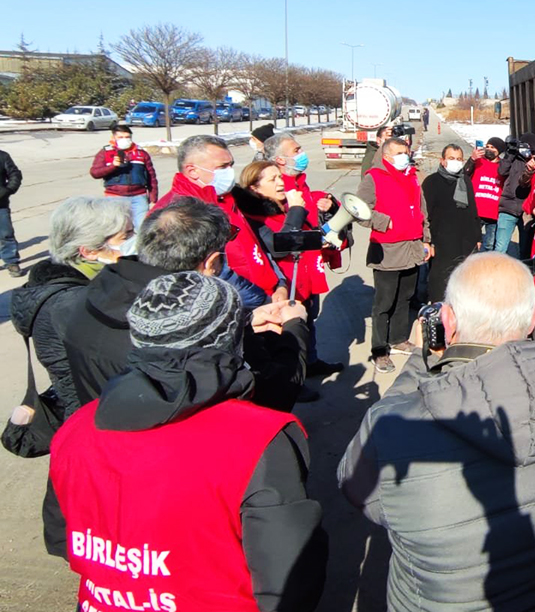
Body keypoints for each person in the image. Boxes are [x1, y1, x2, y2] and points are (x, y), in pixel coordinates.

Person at [50, 272, 327, 612]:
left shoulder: (77, 427)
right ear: (232, 342)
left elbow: (60, 539)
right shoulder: (260, 438)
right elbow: (287, 594)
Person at [338, 252, 535, 612]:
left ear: (447, 320)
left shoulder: (392, 428)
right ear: (532, 319)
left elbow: (356, 487)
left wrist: (420, 362)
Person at [55, 197, 310, 413]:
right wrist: (294, 329)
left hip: (109, 432)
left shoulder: (98, 290)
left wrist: (245, 321)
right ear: (210, 263)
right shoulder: (194, 316)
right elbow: (275, 394)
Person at [4, 198, 132, 458]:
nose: (135, 239)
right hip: (96, 421)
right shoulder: (72, 302)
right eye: (126, 235)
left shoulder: (95, 284)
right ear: (88, 251)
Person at [234, 161, 342, 402]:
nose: (281, 182)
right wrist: (295, 210)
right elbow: (280, 246)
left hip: (301, 278)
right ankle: (293, 378)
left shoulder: (280, 206)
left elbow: (300, 235)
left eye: (279, 177)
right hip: (281, 284)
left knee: (306, 323)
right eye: (272, 179)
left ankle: (311, 362)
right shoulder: (254, 215)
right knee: (286, 334)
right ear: (254, 187)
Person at [156, 135, 288, 306]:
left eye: (231, 165)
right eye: (223, 167)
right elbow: (210, 275)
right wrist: (262, 302)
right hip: (239, 308)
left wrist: (279, 282)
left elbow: (256, 246)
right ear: (192, 171)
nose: (230, 172)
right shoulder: (176, 215)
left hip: (266, 295)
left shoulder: (228, 197)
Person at [357, 137, 432, 371]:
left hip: (412, 246)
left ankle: (398, 339)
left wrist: (426, 239)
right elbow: (359, 210)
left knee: (405, 297)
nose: (404, 156)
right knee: (384, 302)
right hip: (387, 248)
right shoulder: (374, 177)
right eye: (399, 152)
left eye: (406, 152)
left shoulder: (411, 176)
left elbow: (422, 211)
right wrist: (383, 221)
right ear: (387, 156)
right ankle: (379, 350)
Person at [422, 144, 480, 302]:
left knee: (462, 280)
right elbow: (425, 214)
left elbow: (473, 210)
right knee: (440, 281)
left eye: (459, 159)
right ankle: (439, 311)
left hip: (465, 241)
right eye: (451, 158)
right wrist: (427, 241)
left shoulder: (465, 181)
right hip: (441, 242)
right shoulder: (431, 182)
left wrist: (477, 237)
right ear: (442, 161)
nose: (456, 162)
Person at [89, 124, 158, 230]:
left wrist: (153, 198)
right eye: (120, 137)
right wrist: (113, 166)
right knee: (117, 229)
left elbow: (151, 176)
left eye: (127, 137)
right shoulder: (106, 153)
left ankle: (137, 246)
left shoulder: (141, 153)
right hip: (115, 197)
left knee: (142, 228)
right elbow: (95, 173)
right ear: (113, 138)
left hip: (139, 197)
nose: (124, 140)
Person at [497, 133, 535, 256]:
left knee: (525, 249)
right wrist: (510, 153)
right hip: (508, 207)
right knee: (500, 247)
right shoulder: (514, 159)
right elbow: (502, 171)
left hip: (526, 211)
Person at [469, 136, 505, 250]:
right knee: (472, 243)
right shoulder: (479, 161)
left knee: (489, 245)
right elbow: (464, 174)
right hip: (476, 210)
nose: (489, 149)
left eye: (493, 147)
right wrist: (472, 159)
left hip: (493, 212)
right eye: (487, 146)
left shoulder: (503, 167)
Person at [0, 147, 24, 277]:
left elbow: (15, 174)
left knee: (6, 234)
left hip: (0, 204)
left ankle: (11, 261)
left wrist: (8, 190)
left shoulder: (3, 156)